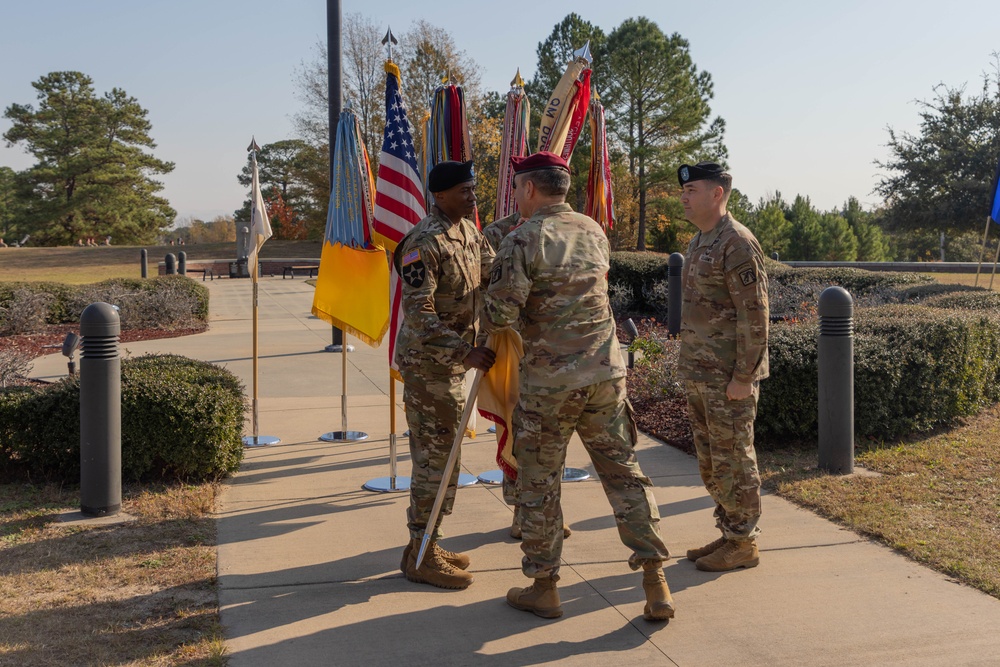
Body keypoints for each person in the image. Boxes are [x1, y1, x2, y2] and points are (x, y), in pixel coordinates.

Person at [482, 151, 674, 621]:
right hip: (606, 376)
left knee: (540, 483)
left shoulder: (521, 239)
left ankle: (544, 587)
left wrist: (486, 295)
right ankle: (655, 581)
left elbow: (501, 315)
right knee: (624, 474)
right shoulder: (593, 230)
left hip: (550, 383)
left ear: (528, 189)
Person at [394, 160, 496, 590]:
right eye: (463, 191)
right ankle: (419, 553)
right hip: (430, 368)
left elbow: (493, 273)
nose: (472, 196)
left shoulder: (470, 233)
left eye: (473, 189)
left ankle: (428, 541)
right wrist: (464, 351)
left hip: (454, 367)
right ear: (439, 196)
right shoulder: (424, 242)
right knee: (436, 462)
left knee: (448, 458)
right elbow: (419, 314)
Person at [676, 162, 769, 572]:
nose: (684, 195)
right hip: (700, 373)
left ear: (717, 194)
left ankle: (744, 542)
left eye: (692, 189)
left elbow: (756, 316)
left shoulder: (737, 243)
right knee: (712, 461)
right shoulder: (700, 240)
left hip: (728, 378)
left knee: (734, 458)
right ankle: (730, 530)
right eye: (684, 189)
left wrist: (744, 378)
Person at [482, 209, 572, 543]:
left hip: (555, 355)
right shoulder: (497, 235)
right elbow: (487, 292)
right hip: (513, 350)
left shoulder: (568, 230)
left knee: (553, 437)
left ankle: (548, 510)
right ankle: (522, 510)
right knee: (520, 432)